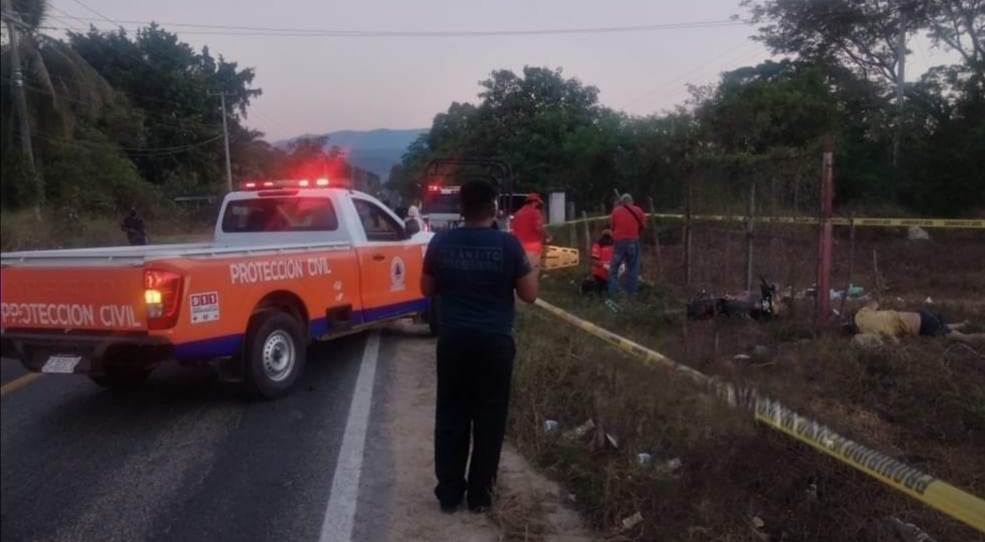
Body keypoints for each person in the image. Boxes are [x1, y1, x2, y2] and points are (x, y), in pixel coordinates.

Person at [421, 180, 539, 514]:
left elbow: (426, 288)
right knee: (490, 418)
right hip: (495, 343)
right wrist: (534, 267)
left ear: (461, 209)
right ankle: (480, 496)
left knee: (451, 415)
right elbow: (530, 295)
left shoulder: (441, 242)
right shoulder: (509, 245)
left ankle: (448, 493)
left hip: (454, 340)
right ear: (494, 209)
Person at [854, 301, 985, 344]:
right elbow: (874, 303)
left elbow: (896, 342)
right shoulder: (861, 314)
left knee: (965, 338)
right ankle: (962, 324)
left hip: (924, 326)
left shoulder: (873, 330)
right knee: (941, 327)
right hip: (921, 314)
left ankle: (970, 332)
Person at [608, 193, 645, 296]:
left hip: (619, 242)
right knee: (633, 268)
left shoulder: (616, 211)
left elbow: (612, 226)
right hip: (633, 241)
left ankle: (613, 295)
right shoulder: (639, 210)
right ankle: (631, 294)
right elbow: (643, 226)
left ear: (621, 202)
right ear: (631, 201)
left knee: (614, 269)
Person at [511, 193, 551, 270]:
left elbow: (512, 230)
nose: (537, 206)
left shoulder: (517, 213)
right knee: (532, 273)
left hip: (518, 249)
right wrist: (547, 236)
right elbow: (539, 228)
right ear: (534, 202)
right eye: (537, 203)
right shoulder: (535, 212)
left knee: (520, 274)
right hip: (532, 249)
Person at [581, 229, 615, 295]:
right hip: (600, 274)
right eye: (606, 237)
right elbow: (594, 261)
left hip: (613, 273)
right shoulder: (598, 245)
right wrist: (604, 265)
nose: (607, 240)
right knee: (600, 290)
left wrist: (621, 265)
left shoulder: (614, 244)